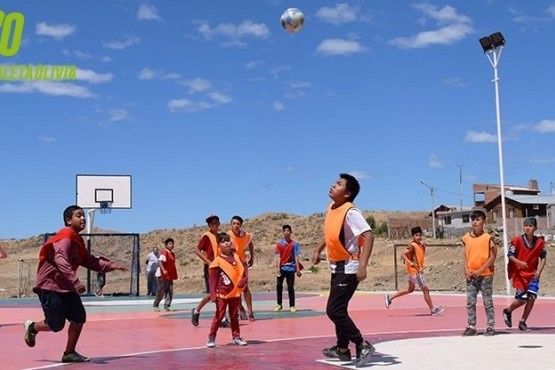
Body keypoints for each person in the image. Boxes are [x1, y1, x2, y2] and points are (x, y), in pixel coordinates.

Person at [23, 205, 127, 363]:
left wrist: (111, 266)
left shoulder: (77, 240)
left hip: (66, 286)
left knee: (79, 317)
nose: (83, 218)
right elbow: (60, 259)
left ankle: (69, 353)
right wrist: (76, 282)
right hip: (50, 285)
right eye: (79, 216)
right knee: (56, 325)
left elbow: (89, 260)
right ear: (68, 220)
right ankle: (32, 327)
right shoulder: (65, 237)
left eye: (83, 215)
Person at [312, 173, 375, 367]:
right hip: (337, 266)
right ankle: (342, 349)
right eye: (334, 182)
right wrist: (318, 249)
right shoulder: (331, 208)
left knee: (334, 310)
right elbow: (331, 232)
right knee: (340, 308)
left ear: (347, 193)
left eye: (338, 184)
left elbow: (369, 235)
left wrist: (363, 265)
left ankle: (361, 344)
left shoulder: (351, 212)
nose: (333, 185)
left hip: (349, 267)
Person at [384, 226, 444, 315]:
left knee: (410, 289)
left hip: (416, 271)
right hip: (415, 272)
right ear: (413, 236)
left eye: (420, 235)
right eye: (416, 235)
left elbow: (419, 256)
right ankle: (432, 310)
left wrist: (424, 247)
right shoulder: (412, 245)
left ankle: (390, 298)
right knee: (426, 290)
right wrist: (410, 262)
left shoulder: (419, 245)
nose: (418, 237)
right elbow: (403, 254)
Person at [502, 217, 547, 331]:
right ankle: (508, 311)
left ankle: (523, 322)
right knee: (522, 299)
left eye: (530, 226)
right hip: (520, 274)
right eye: (526, 225)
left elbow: (543, 258)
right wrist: (519, 262)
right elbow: (510, 255)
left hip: (533, 275)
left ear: (535, 228)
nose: (527, 228)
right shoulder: (517, 240)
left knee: (531, 298)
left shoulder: (540, 242)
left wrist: (539, 271)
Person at [206, 233, 248, 347]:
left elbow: (244, 271)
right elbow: (213, 280)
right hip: (222, 294)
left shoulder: (237, 257)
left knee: (234, 315)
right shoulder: (217, 262)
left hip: (235, 293)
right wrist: (213, 295)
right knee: (219, 315)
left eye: (228, 240)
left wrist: (243, 282)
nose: (227, 243)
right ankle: (211, 337)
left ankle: (236, 337)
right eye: (223, 241)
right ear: (219, 245)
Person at [461, 210, 497, 336]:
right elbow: (465, 255)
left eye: (478, 219)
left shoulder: (488, 238)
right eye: (473, 219)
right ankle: (471, 325)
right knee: (470, 302)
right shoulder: (466, 238)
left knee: (487, 302)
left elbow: (492, 256)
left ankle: (490, 326)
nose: (475, 222)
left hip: (485, 275)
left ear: (483, 221)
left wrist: (481, 270)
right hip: (471, 276)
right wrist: (466, 269)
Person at [191, 215, 230, 328]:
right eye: (212, 223)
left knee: (222, 293)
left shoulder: (220, 237)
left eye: (217, 222)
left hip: (221, 268)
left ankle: (222, 318)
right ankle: (196, 311)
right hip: (210, 268)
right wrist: (208, 262)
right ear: (209, 225)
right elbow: (197, 250)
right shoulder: (206, 236)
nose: (215, 225)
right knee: (211, 294)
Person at [228, 215, 256, 321]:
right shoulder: (228, 235)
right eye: (234, 223)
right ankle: (241, 309)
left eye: (238, 224)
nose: (235, 226)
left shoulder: (246, 235)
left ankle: (250, 312)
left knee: (245, 287)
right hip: (232, 264)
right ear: (231, 224)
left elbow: (250, 244)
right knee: (236, 289)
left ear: (241, 225)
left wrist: (252, 257)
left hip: (242, 263)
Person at [274, 224, 302, 313]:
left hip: (290, 268)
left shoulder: (294, 244)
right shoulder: (279, 244)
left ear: (290, 232)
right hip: (282, 268)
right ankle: (279, 304)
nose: (286, 232)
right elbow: (278, 257)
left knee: (290, 287)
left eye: (288, 230)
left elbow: (297, 256)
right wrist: (278, 268)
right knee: (279, 286)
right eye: (285, 230)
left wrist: (297, 269)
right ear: (283, 232)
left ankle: (292, 305)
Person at [153, 238, 178, 312]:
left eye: (172, 243)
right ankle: (156, 305)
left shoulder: (172, 254)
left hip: (170, 276)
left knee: (170, 290)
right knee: (161, 291)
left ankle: (167, 305)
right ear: (166, 245)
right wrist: (163, 270)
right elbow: (160, 261)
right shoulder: (164, 252)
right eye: (170, 243)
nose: (172, 245)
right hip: (163, 275)